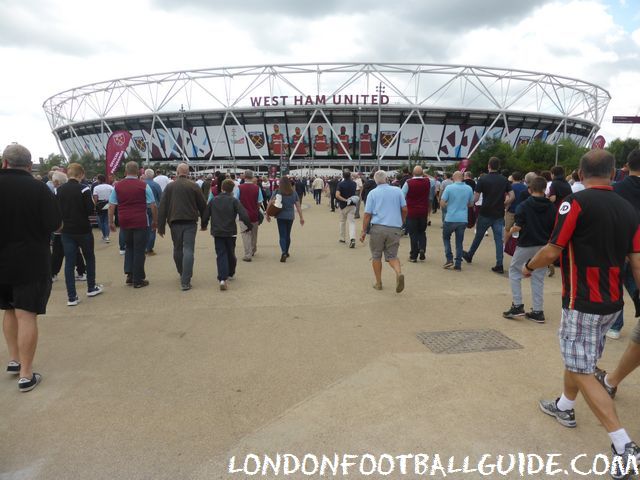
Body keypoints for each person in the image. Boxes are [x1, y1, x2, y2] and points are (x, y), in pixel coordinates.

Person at [524, 150, 640, 475]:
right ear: (616, 171)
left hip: (581, 301)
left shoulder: (574, 203)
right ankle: (565, 406)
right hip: (611, 303)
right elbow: (637, 260)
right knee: (579, 358)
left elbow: (552, 249)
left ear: (580, 172)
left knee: (582, 367)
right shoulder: (629, 210)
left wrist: (529, 266)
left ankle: (623, 444)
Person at [1, 144, 61, 392]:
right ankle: (26, 373)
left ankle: (14, 360)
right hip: (31, 259)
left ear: (4, 163)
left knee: (8, 310)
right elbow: (56, 225)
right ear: (28, 165)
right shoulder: (38, 189)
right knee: (26, 314)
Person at [502, 176, 556, 322]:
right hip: (543, 246)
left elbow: (518, 226)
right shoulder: (551, 207)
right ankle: (538, 310)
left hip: (526, 243)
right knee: (538, 276)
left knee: (514, 271)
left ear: (530, 189)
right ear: (545, 189)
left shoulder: (524, 205)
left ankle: (517, 305)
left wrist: (509, 232)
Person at [56, 163, 103, 306]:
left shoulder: (59, 190)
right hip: (83, 229)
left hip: (67, 230)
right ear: (81, 174)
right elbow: (90, 210)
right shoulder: (84, 189)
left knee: (69, 263)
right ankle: (91, 287)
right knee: (89, 257)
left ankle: (72, 296)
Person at [605, 148, 640, 340]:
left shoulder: (615, 188)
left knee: (615, 285)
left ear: (627, 165)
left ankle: (616, 326)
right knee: (634, 281)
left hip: (619, 245)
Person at [157, 163, 206, 291]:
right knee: (189, 249)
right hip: (190, 222)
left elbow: (162, 207)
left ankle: (181, 271)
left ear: (177, 172)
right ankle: (186, 280)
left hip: (174, 222)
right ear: (188, 172)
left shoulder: (169, 187)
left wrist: (160, 227)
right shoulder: (194, 186)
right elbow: (203, 206)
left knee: (177, 248)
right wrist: (204, 223)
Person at [108, 161, 157, 288]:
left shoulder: (117, 186)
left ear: (125, 172)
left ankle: (129, 274)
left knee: (129, 247)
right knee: (139, 250)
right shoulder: (143, 185)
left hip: (124, 221)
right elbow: (152, 204)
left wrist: (111, 221)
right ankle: (138, 279)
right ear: (139, 172)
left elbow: (112, 205)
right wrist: (155, 221)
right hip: (140, 220)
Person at [462, 157, 515, 274]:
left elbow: (476, 198)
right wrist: (505, 203)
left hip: (485, 212)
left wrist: (470, 204)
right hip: (499, 213)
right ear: (499, 166)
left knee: (479, 236)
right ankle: (499, 264)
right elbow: (512, 196)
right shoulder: (504, 180)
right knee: (498, 240)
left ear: (488, 166)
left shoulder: (483, 179)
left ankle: (470, 254)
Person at [360, 170, 407, 293]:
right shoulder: (397, 191)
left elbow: (367, 214)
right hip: (394, 228)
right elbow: (404, 209)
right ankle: (398, 273)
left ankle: (379, 282)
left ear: (375, 181)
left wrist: (363, 231)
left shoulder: (372, 193)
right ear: (387, 179)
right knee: (392, 256)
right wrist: (401, 222)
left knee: (376, 256)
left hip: (378, 228)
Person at [202, 179, 252, 290]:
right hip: (230, 231)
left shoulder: (214, 200)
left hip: (218, 231)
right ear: (232, 189)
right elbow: (243, 213)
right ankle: (231, 272)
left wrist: (204, 225)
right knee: (231, 253)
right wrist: (249, 225)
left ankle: (222, 278)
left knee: (221, 254)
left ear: (222, 188)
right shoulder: (234, 201)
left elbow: (206, 214)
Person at [440, 171, 473, 270]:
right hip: (462, 218)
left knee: (446, 238)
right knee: (459, 241)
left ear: (453, 178)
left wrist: (448, 208)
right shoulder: (468, 188)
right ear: (462, 178)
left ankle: (449, 258)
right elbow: (471, 204)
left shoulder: (449, 188)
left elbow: (442, 202)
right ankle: (458, 263)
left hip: (450, 217)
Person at [266, 176, 304, 262]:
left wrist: (267, 214)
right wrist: (301, 217)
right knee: (288, 234)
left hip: (280, 215)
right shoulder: (294, 193)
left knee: (282, 235)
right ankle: (287, 251)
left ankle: (283, 252)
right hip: (290, 216)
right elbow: (298, 206)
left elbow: (270, 203)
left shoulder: (277, 191)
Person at [401, 166, 430, 262]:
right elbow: (432, 179)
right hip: (423, 211)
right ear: (422, 173)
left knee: (413, 234)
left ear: (412, 173)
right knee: (422, 231)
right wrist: (424, 175)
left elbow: (402, 196)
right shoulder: (427, 181)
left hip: (412, 211)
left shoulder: (408, 183)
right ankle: (422, 248)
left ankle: (413, 255)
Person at [236, 170, 263, 262]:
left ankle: (248, 254)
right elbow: (259, 202)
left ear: (244, 177)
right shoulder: (257, 188)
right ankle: (253, 249)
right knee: (254, 233)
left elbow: (236, 201)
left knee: (245, 234)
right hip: (254, 214)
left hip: (243, 215)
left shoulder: (239, 187)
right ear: (252, 177)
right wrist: (256, 208)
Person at [335, 169, 358, 248]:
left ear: (343, 176)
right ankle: (352, 238)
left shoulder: (340, 184)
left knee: (342, 222)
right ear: (350, 175)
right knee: (351, 222)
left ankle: (342, 238)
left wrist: (345, 200)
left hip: (343, 205)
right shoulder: (354, 184)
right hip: (352, 205)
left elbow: (337, 195)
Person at [143, 169, 163, 255]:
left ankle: (143, 247)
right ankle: (149, 248)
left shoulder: (141, 184)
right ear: (153, 175)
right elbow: (161, 197)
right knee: (153, 228)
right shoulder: (156, 185)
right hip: (154, 208)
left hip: (142, 208)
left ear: (145, 175)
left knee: (143, 228)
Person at [92, 174, 114, 243]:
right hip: (108, 203)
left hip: (100, 204)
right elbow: (113, 196)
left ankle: (105, 235)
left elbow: (95, 198)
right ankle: (106, 236)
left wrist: (95, 206)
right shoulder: (110, 187)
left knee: (101, 221)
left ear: (99, 180)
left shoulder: (96, 188)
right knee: (106, 221)